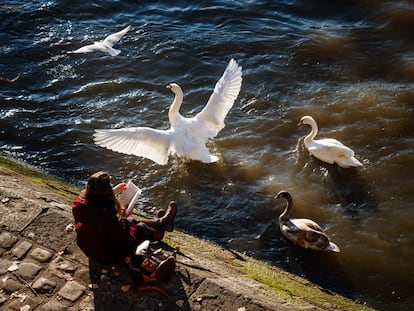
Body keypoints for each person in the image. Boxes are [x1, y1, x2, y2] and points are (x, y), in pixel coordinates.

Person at [71, 171, 177, 265]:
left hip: (89, 247)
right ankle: (160, 231)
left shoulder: (79, 203)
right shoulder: (106, 216)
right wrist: (123, 216)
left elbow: (97, 211)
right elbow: (124, 241)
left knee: (131, 222)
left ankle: (161, 222)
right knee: (140, 227)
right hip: (108, 256)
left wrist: (113, 191)